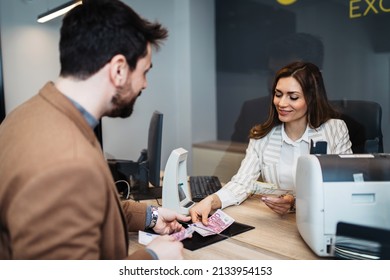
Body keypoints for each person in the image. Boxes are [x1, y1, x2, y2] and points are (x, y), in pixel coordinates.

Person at [0, 0, 191, 260]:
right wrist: (152, 259)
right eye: (145, 72)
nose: (144, 85)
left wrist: (150, 215)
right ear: (119, 70)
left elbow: (80, 205)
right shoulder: (67, 160)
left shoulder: (27, 115)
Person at [190, 61, 353, 223]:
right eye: (278, 94)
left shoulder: (335, 130)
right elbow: (242, 183)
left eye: (293, 97)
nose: (281, 103)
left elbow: (344, 187)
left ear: (311, 99)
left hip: (321, 221)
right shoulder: (262, 136)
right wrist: (210, 201)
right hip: (276, 223)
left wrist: (294, 203)